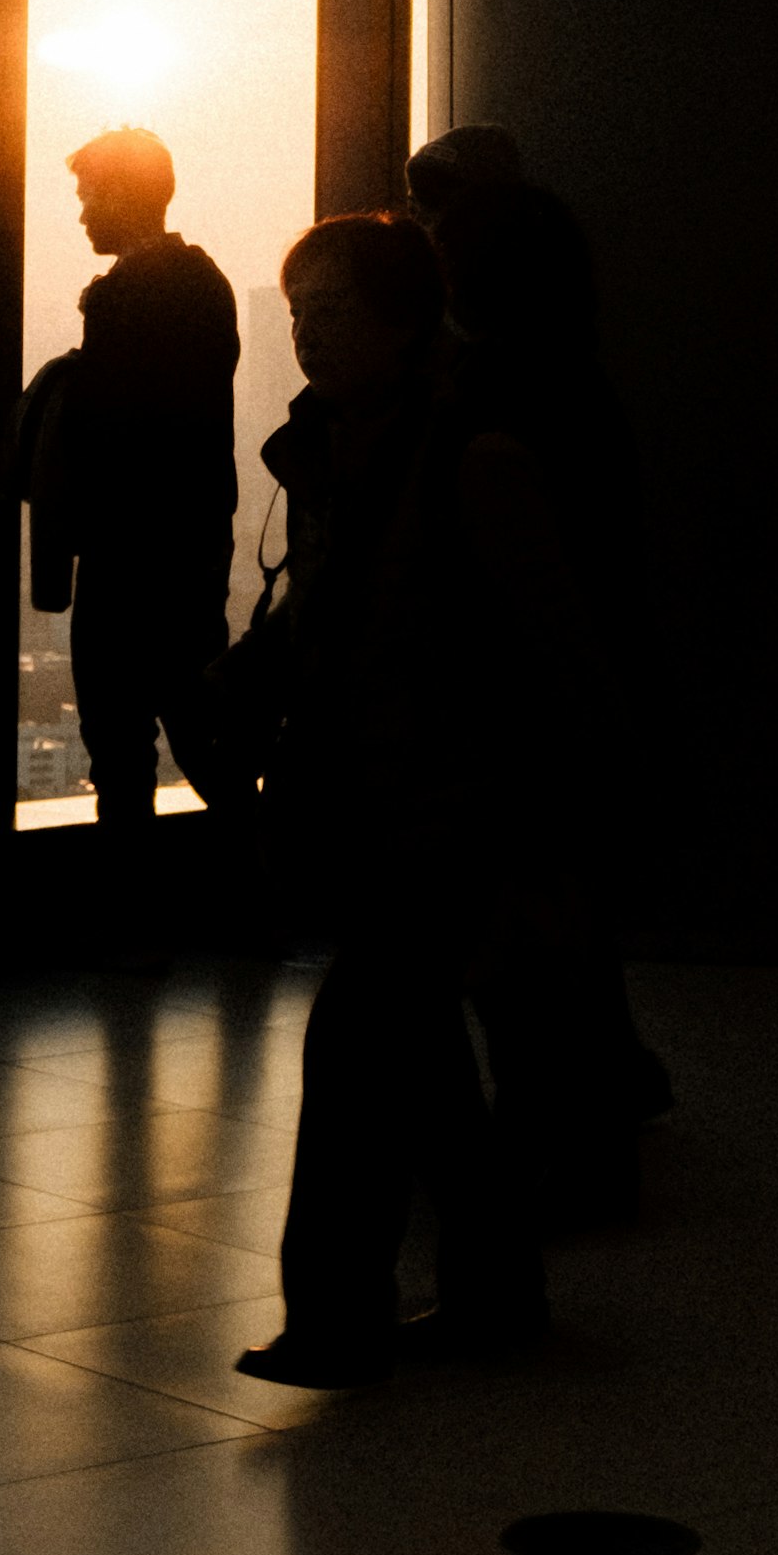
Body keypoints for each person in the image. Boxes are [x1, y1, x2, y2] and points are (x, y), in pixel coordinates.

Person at [236, 207, 555, 1387]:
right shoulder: (344, 449)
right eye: (298, 314)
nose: (309, 336)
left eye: (332, 311)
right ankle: (497, 1285)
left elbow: (552, 654)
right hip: (377, 798)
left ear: (405, 318)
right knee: (418, 1057)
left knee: (359, 1036)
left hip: (449, 806)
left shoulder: (472, 458)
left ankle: (336, 1315)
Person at [404, 119, 670, 1212]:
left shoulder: (483, 406)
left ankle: (556, 1147)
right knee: (554, 922)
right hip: (562, 696)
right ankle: (589, 1123)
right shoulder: (576, 385)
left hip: (512, 704)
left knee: (514, 937)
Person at [16, 127, 240, 834]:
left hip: (127, 557)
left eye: (88, 196)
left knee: (120, 748)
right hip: (192, 548)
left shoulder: (127, 296)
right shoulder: (205, 284)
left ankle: (132, 916)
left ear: (121, 193)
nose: (82, 214)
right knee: (203, 732)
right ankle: (268, 888)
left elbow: (110, 431)